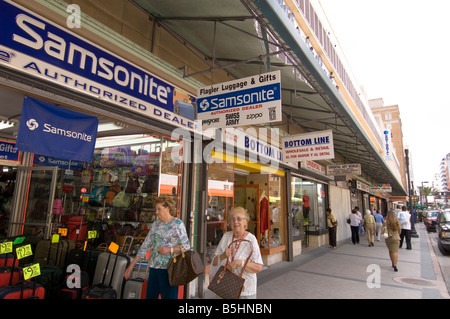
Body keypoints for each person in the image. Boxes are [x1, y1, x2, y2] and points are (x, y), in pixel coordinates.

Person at [124, 196, 190, 299]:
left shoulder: (178, 224)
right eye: (156, 209)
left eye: (159, 209)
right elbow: (145, 246)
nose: (156, 212)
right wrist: (131, 266)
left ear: (167, 208)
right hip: (154, 268)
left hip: (169, 270)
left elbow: (186, 247)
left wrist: (169, 250)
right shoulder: (156, 224)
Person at [213, 206, 263, 299]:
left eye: (239, 219)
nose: (235, 222)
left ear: (245, 222)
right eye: (232, 219)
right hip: (225, 287)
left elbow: (258, 267)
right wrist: (223, 255)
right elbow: (214, 262)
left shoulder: (251, 240)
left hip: (244, 291)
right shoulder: (226, 237)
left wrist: (240, 263)